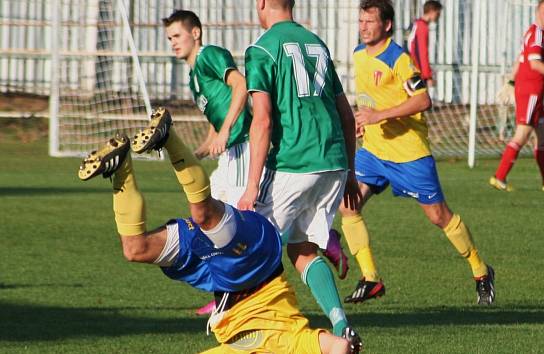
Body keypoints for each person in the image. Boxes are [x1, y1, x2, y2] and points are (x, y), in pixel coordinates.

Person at [77, 107, 353, 354]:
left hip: (218, 277)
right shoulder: (293, 344)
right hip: (257, 261)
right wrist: (344, 330)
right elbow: (339, 346)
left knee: (136, 249)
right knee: (204, 215)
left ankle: (121, 166)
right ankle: (168, 137)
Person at [336, 0, 495, 306]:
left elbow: (423, 101)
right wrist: (362, 121)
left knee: (438, 216)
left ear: (387, 25)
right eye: (361, 21)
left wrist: (379, 116)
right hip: (374, 151)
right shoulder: (358, 55)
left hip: (409, 154)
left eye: (370, 21)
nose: (364, 27)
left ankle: (481, 271)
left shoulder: (400, 60)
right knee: (348, 206)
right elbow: (369, 98)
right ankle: (371, 278)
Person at [237, 0, 363, 351]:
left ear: (262, 3)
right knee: (302, 249)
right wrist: (350, 173)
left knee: (254, 247)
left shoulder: (262, 48)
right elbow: (347, 116)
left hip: (296, 162)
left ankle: (260, 328)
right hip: (333, 161)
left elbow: (262, 120)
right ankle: (341, 322)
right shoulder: (317, 45)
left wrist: (251, 187)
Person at [162, 9, 251, 315]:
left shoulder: (210, 55)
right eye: (169, 38)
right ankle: (226, 290)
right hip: (228, 152)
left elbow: (241, 85)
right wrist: (199, 150)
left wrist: (226, 131)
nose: (173, 43)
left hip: (243, 144)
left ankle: (234, 293)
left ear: (195, 33)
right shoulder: (193, 76)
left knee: (234, 220)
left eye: (177, 36)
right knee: (208, 216)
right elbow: (217, 115)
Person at [491, 0, 544, 192]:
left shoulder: (537, 33)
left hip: (534, 93)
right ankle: (499, 177)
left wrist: (511, 82)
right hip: (530, 92)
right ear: (538, 13)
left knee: (542, 136)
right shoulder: (537, 34)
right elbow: (534, 64)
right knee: (522, 134)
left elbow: (520, 59)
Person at [407, 0, 442, 87]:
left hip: (409, 67)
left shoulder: (416, 23)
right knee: (421, 99)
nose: (439, 16)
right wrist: (427, 76)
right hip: (415, 70)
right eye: (438, 13)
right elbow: (422, 53)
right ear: (431, 11)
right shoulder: (422, 27)